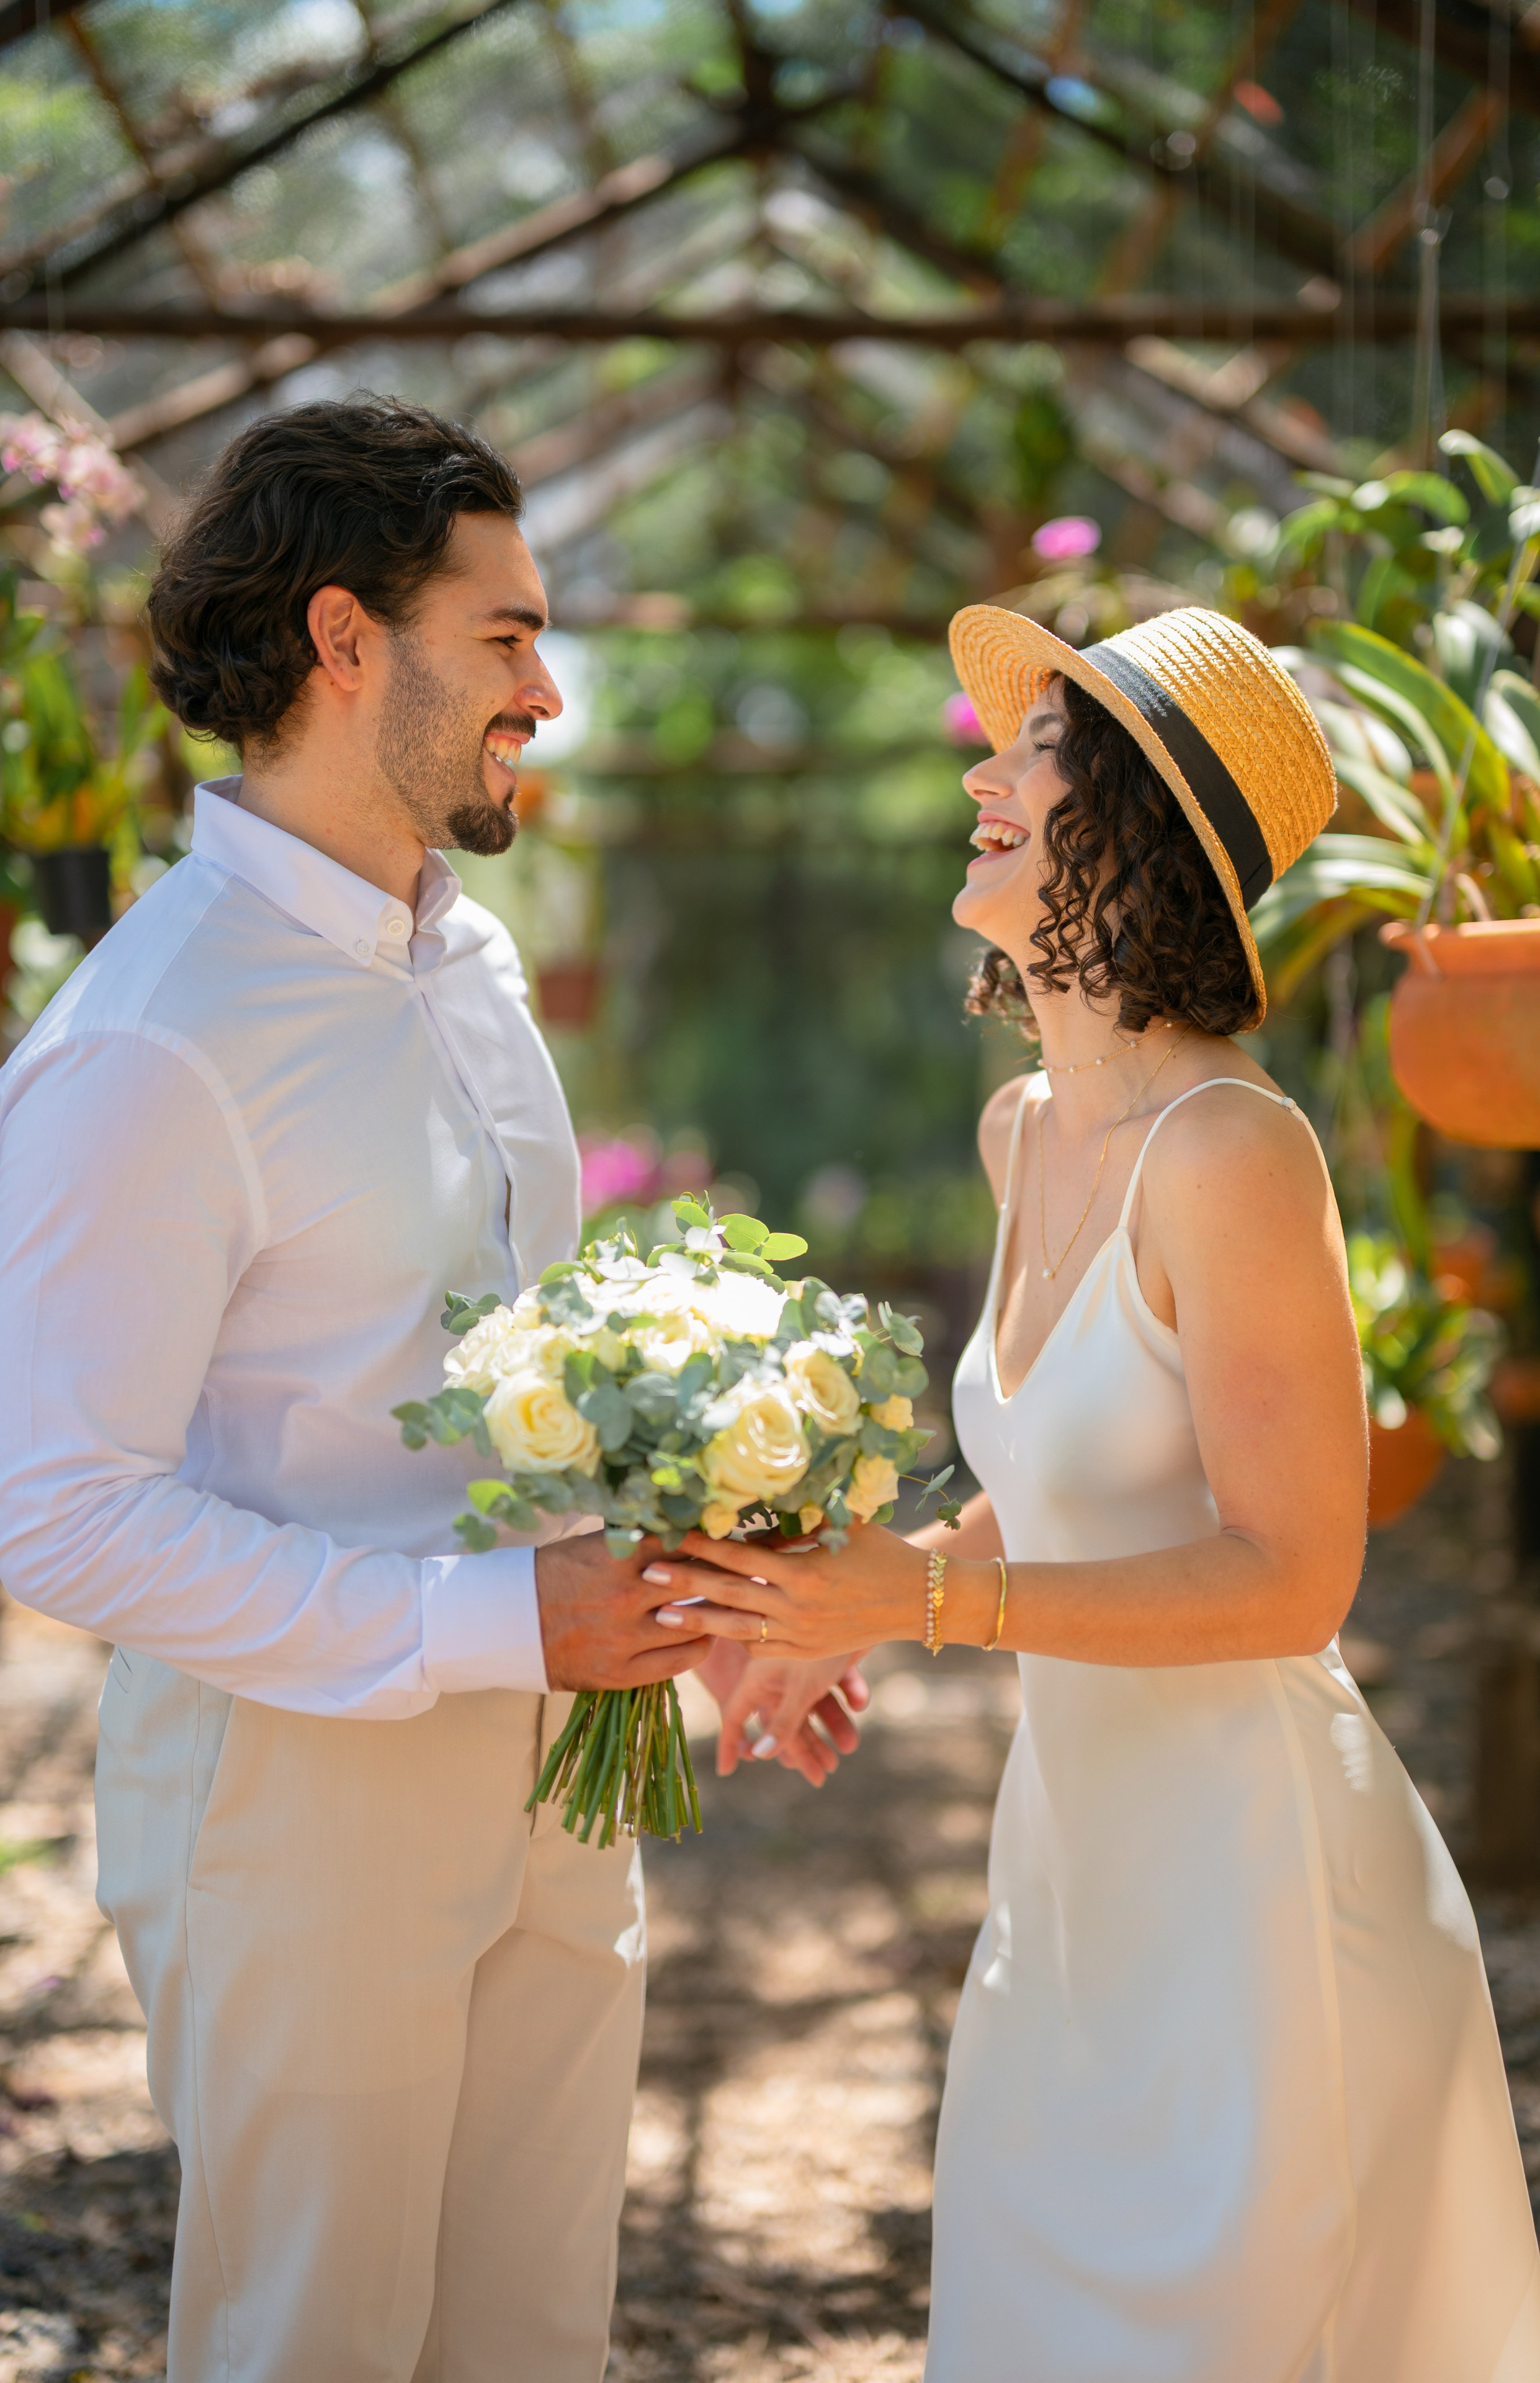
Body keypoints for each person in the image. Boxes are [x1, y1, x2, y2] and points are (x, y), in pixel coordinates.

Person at [0, 393, 859, 2383]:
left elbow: (517, 1371)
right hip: (298, 1801)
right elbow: (52, 1503)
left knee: (528, 2340)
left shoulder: (465, 965)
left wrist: (708, 1601)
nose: (546, 690)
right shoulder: (151, 1037)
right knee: (316, 2347)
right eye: (509, 634)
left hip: (566, 1768)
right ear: (342, 638)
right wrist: (486, 1622)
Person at [643, 604, 1540, 2382]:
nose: (980, 771)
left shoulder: (1235, 1149)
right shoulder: (1023, 1133)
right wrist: (841, 1617)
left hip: (1255, 1899)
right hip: (1071, 1872)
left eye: (1033, 751)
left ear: (1140, 826)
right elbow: (1064, 1495)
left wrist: (911, 1603)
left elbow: (1294, 1577)